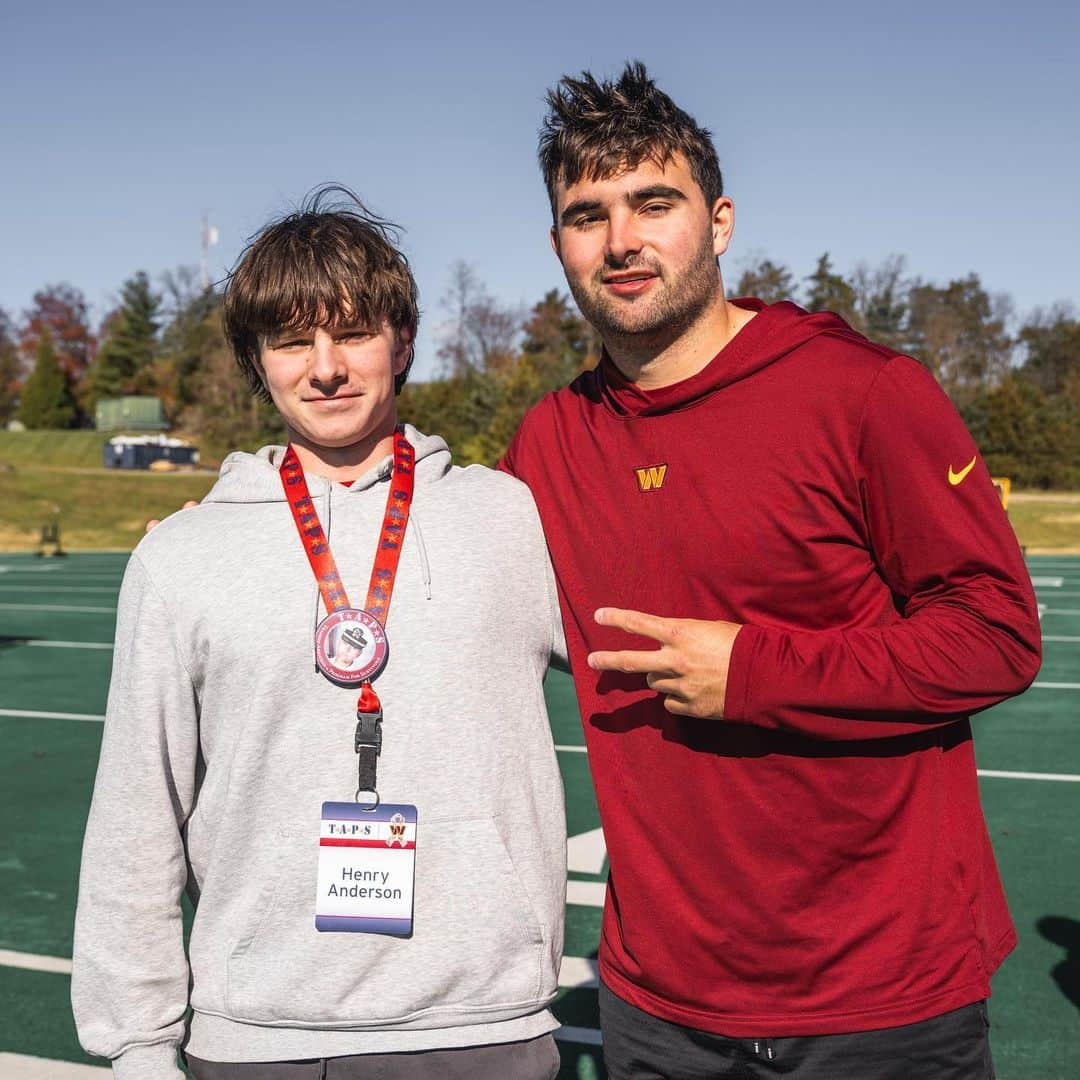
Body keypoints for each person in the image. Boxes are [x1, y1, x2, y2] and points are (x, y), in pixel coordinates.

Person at [499, 62, 1042, 1079]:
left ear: (719, 222)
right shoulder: (548, 443)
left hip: (879, 994)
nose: (621, 241)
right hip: (658, 1002)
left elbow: (1000, 634)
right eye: (588, 214)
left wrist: (758, 674)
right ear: (558, 244)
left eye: (654, 203)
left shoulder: (863, 392)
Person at [71, 188, 566, 1080]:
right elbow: (134, 819)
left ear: (403, 341)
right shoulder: (182, 558)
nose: (326, 368)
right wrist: (139, 1047)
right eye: (294, 342)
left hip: (483, 1030)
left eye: (353, 334)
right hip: (259, 1040)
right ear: (258, 363)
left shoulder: (512, 518)